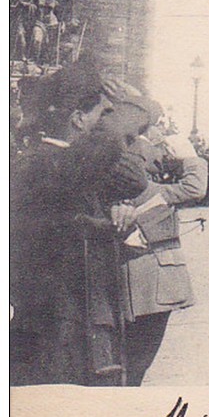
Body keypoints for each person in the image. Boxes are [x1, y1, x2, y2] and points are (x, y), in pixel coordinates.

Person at [11, 59, 149, 386]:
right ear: (77, 119)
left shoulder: (67, 167)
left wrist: (118, 221)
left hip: (74, 323)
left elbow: (133, 180)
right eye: (103, 115)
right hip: (54, 332)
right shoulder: (46, 164)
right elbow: (113, 141)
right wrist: (135, 103)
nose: (107, 122)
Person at [110, 94, 207, 386]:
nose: (162, 137)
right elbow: (195, 187)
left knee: (128, 361)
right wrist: (189, 155)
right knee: (138, 361)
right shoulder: (143, 184)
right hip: (150, 286)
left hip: (134, 282)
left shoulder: (128, 176)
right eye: (157, 128)